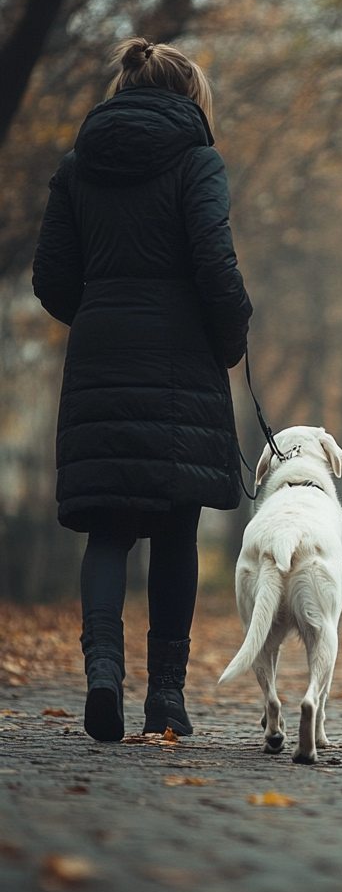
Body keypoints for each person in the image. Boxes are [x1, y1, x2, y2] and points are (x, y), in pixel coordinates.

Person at [32, 38, 252, 742]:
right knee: (177, 527)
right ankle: (167, 698)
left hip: (100, 349)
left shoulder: (77, 166)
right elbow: (215, 263)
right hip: (180, 354)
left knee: (108, 527)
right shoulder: (196, 160)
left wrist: (101, 315)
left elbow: (51, 279)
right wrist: (230, 338)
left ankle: (102, 673)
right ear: (190, 94)